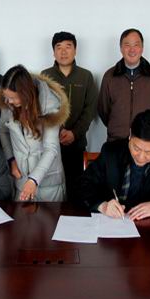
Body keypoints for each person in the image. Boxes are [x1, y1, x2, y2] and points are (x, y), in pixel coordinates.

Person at [0, 65, 70, 202]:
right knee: (21, 216)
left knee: (52, 216)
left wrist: (33, 180)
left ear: (25, 94)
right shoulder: (8, 103)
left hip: (49, 185)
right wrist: (11, 160)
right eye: (6, 96)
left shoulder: (50, 105)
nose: (9, 101)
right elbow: (3, 131)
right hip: (21, 180)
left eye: (13, 97)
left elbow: (51, 148)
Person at [40, 31, 98, 204]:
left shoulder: (86, 76)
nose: (63, 52)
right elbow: (40, 110)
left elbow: (90, 110)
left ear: (75, 50)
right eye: (59, 47)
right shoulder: (45, 76)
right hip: (51, 145)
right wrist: (56, 132)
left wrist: (74, 133)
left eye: (68, 47)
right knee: (52, 191)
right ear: (53, 52)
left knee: (76, 190)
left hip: (77, 144)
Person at [98, 28, 150, 141]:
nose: (132, 50)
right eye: (127, 45)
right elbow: (103, 109)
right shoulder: (110, 76)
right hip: (116, 140)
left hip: (145, 141)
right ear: (121, 48)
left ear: (142, 48)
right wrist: (117, 126)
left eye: (136, 45)